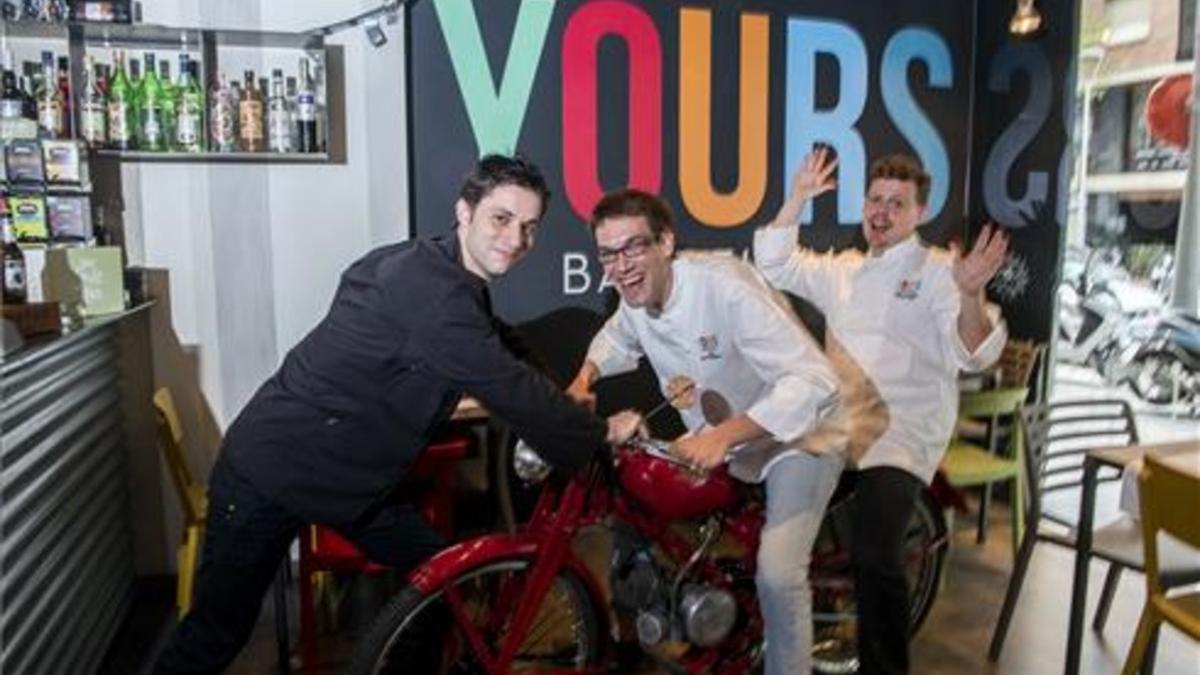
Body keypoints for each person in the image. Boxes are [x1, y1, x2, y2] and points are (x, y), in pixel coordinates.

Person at [154, 154, 643, 675]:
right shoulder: (429, 290)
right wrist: (599, 431)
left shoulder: (438, 268)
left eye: (529, 227)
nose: (515, 238)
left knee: (440, 583)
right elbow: (503, 382)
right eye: (501, 219)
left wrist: (557, 394)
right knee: (216, 634)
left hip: (344, 475)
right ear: (464, 211)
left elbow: (499, 343)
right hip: (273, 468)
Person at [565, 189, 846, 675]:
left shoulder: (725, 287)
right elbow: (615, 336)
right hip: (728, 442)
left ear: (666, 242)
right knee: (634, 506)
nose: (621, 265)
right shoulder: (637, 297)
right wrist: (582, 378)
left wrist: (723, 435)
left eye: (633, 247)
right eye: (608, 254)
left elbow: (816, 382)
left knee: (779, 576)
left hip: (800, 439)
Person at [753, 149, 1009, 675]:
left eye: (897, 202)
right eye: (875, 199)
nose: (882, 211)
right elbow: (775, 263)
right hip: (836, 422)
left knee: (874, 555)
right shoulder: (844, 269)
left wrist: (970, 294)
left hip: (901, 432)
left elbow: (976, 352)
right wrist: (798, 195)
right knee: (765, 502)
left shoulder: (942, 270)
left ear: (919, 212)